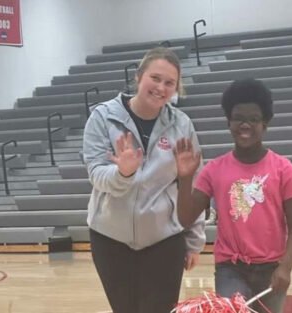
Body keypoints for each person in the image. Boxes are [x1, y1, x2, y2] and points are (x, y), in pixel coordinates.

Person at [82, 47, 205, 313]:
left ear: (175, 89)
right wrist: (123, 173)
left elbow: (193, 186)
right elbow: (96, 175)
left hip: (165, 240)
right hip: (110, 239)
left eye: (169, 83)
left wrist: (194, 240)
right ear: (139, 77)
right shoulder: (103, 118)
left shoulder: (182, 125)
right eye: (155, 78)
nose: (161, 87)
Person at [173, 78, 292, 313]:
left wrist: (285, 267)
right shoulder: (214, 169)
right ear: (229, 122)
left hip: (272, 269)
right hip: (230, 268)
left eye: (253, 119)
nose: (245, 124)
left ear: (265, 123)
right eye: (238, 118)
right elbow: (185, 219)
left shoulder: (283, 169)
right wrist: (185, 179)